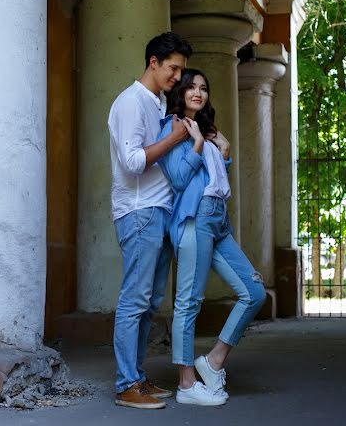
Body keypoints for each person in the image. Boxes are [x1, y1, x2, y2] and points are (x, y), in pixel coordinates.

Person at [158, 68, 266, 406]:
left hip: (218, 218)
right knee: (188, 303)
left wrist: (225, 151)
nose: (198, 93)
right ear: (180, 92)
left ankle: (214, 360)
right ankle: (187, 384)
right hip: (196, 219)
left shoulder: (205, 129)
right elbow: (177, 179)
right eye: (191, 87)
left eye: (204, 88)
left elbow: (214, 178)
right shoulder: (173, 127)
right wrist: (198, 143)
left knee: (254, 292)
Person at [108, 32, 192, 410]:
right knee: (134, 299)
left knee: (150, 301)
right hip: (139, 211)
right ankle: (126, 384)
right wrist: (174, 139)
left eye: (181, 70)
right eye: (173, 68)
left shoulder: (156, 102)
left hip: (159, 212)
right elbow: (132, 162)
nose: (177, 76)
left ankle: (137, 377)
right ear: (154, 62)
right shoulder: (130, 102)